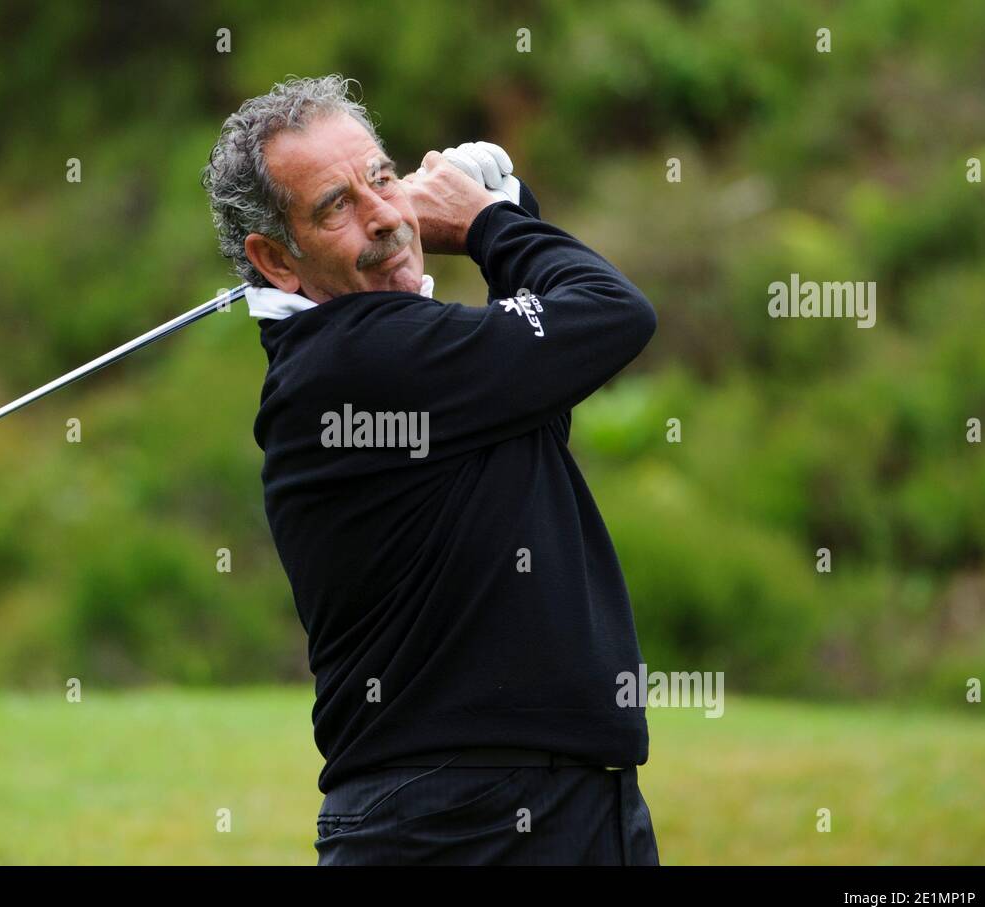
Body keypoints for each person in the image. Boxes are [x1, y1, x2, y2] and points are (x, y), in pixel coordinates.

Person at [201, 74, 661, 865]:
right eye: (335, 206)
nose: (385, 216)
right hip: (457, 825)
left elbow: (540, 396)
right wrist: (489, 223)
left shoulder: (391, 355)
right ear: (276, 260)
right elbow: (613, 314)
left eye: (381, 177)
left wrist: (512, 216)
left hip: (548, 803)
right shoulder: (355, 358)